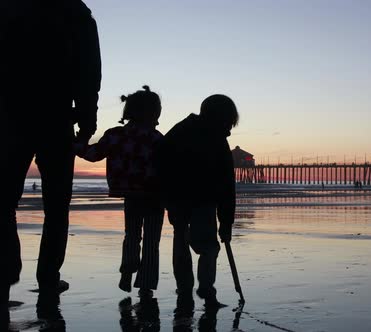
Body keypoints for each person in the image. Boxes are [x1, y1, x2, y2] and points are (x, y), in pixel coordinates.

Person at [0, 0, 101, 322]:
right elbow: (89, 69)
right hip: (55, 116)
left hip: (9, 117)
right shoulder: (75, 11)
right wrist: (87, 118)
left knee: (3, 201)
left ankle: (6, 268)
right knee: (57, 206)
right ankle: (47, 277)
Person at [75, 86, 164, 297]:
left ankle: (127, 272)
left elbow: (93, 154)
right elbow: (168, 169)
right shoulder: (157, 139)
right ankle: (146, 284)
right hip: (154, 195)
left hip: (129, 194)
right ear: (155, 113)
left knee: (132, 235)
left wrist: (76, 143)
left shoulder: (115, 135)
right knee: (152, 240)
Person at [155, 94, 238, 308]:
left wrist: (165, 197)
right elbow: (227, 184)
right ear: (220, 118)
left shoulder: (179, 130)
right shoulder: (218, 140)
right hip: (203, 201)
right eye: (228, 123)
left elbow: (159, 163)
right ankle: (206, 288)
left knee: (181, 242)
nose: (229, 129)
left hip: (177, 199)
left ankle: (185, 289)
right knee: (209, 246)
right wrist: (226, 221)